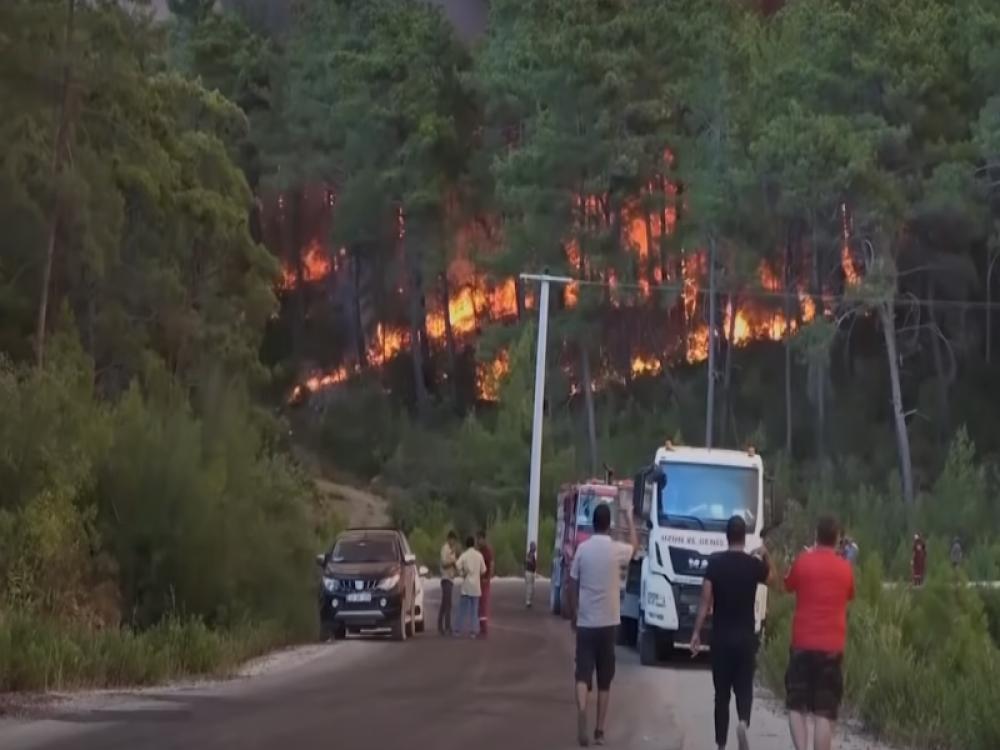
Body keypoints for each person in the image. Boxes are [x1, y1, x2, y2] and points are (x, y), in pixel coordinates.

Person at [690, 516, 771, 750]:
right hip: (746, 638)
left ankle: (721, 745)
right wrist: (764, 553)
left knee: (721, 694)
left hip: (721, 639)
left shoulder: (715, 564)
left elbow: (705, 602)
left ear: (726, 536)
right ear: (744, 537)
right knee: (744, 687)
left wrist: (696, 633)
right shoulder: (753, 565)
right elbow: (773, 578)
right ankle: (743, 723)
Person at [567, 502, 638, 747]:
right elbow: (635, 547)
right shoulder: (616, 550)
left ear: (593, 523)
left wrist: (574, 613)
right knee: (605, 680)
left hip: (586, 622)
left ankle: (582, 712)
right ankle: (599, 732)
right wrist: (629, 518)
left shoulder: (582, 550)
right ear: (609, 525)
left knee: (582, 674)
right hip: (609, 624)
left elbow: (572, 583)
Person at [784, 516, 855, 750]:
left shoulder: (803, 562)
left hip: (802, 643)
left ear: (816, 535)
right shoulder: (845, 569)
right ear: (837, 539)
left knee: (797, 704)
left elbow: (788, 584)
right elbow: (850, 595)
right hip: (832, 647)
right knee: (824, 711)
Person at [455, 536, 487, 638]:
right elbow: (484, 570)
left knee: (462, 610)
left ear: (466, 544)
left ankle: (457, 630)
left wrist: (461, 573)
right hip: (476, 587)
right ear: (473, 544)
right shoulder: (479, 555)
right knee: (474, 610)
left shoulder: (464, 555)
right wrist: (478, 575)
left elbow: (457, 565)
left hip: (466, 586)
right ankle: (473, 631)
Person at [438, 531, 459, 635]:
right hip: (445, 578)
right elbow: (444, 563)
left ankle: (441, 625)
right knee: (447, 603)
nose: (453, 542)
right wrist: (452, 562)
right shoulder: (445, 549)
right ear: (449, 539)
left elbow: (454, 563)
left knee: (445, 603)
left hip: (451, 578)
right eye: (452, 540)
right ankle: (447, 626)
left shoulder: (452, 550)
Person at [477, 530, 494, 638]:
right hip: (478, 580)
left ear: (483, 539)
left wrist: (488, 578)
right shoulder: (479, 551)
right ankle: (481, 627)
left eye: (479, 539)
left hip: (484, 581)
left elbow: (491, 565)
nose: (477, 541)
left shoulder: (487, 551)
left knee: (483, 604)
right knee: (480, 605)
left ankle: (484, 629)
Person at [525, 541, 538, 608]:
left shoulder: (531, 554)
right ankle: (528, 602)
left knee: (531, 587)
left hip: (531, 572)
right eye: (534, 546)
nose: (535, 548)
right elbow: (528, 561)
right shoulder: (530, 554)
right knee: (530, 587)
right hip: (529, 572)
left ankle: (529, 601)